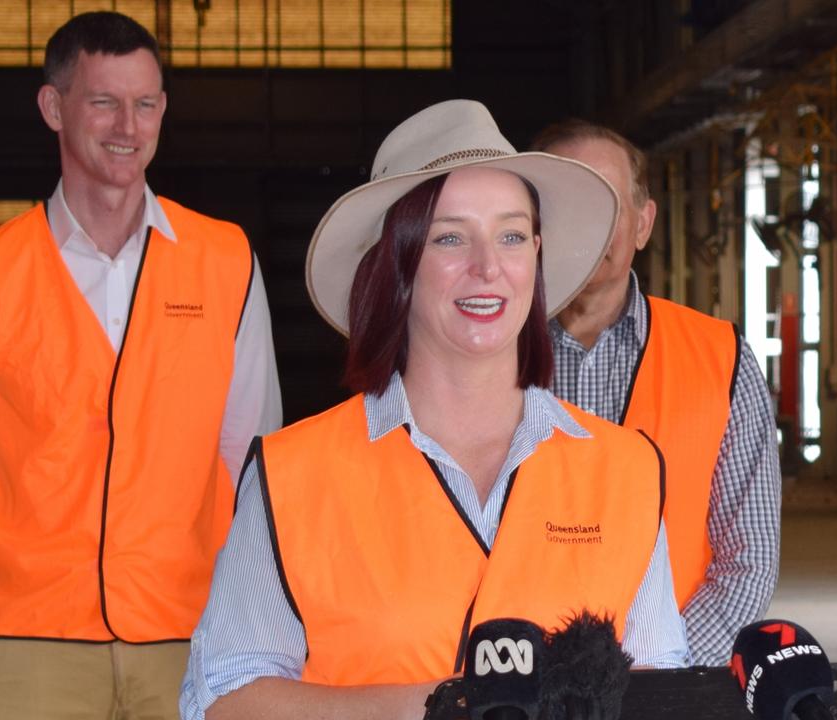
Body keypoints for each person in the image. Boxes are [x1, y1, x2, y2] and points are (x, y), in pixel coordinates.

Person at [180, 99, 689, 720]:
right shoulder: (294, 475)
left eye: (510, 235)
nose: (487, 267)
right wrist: (450, 705)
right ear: (397, 265)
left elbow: (666, 692)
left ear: (536, 255)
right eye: (450, 237)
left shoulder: (626, 470)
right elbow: (220, 697)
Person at [0, 11, 281, 719]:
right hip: (30, 645)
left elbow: (249, 454)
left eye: (146, 104)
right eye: (104, 102)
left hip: (186, 633)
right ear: (54, 108)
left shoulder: (225, 261)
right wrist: (39, 567)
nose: (128, 126)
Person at [531, 120, 780, 666]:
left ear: (643, 224)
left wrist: (659, 677)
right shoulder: (480, 357)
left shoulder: (722, 361)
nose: (589, 224)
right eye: (568, 203)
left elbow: (749, 560)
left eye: (608, 204)